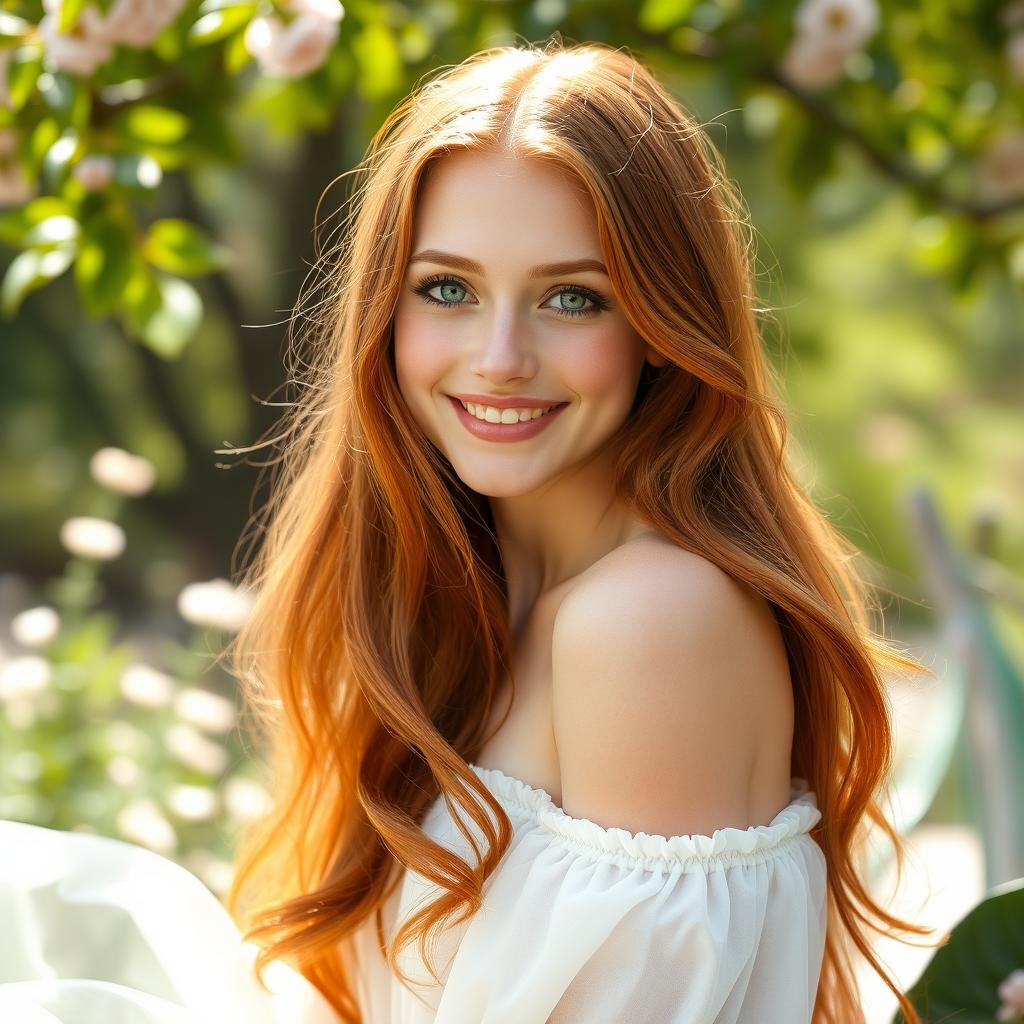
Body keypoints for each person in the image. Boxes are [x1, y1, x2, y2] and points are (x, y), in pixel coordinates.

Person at [0, 35, 939, 1024]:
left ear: (664, 329)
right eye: (446, 288)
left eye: (572, 299)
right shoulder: (465, 602)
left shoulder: (652, 620)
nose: (498, 358)